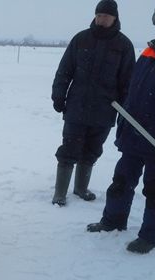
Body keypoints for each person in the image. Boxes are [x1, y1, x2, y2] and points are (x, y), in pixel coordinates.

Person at [87, 0, 155, 254]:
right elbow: (134, 88)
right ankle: (113, 220)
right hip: (134, 134)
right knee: (121, 180)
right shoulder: (151, 51)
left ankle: (152, 236)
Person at [51, 0, 135, 206]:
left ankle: (80, 188)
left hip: (105, 110)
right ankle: (59, 193)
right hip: (76, 107)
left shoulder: (123, 45)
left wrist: (126, 109)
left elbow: (128, 82)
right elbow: (65, 70)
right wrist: (58, 95)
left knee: (92, 150)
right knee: (69, 149)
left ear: (114, 18)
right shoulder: (81, 39)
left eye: (106, 16)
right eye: (99, 15)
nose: (101, 19)